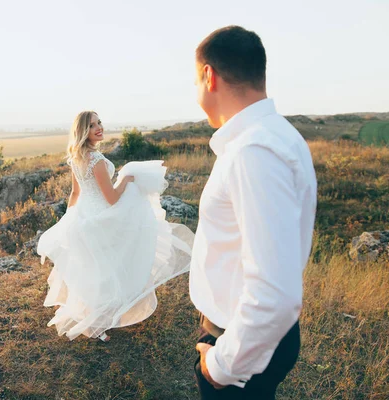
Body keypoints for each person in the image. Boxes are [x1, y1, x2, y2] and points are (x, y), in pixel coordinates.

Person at [190, 26, 317, 399]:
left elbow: (274, 292)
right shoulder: (277, 136)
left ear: (208, 76)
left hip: (238, 341)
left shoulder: (253, 151)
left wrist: (221, 365)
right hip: (252, 335)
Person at [38, 111, 194, 341]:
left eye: (99, 122)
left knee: (96, 269)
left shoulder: (77, 157)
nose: (99, 127)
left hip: (84, 214)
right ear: (83, 131)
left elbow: (75, 193)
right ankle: (100, 321)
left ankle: (99, 319)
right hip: (101, 215)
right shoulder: (96, 160)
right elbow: (111, 198)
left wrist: (70, 218)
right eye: (92, 126)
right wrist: (125, 180)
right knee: (111, 266)